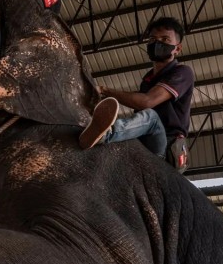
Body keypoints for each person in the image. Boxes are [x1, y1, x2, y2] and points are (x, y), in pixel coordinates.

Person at [79, 17, 194, 172]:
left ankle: (105, 134)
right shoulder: (148, 79)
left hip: (166, 145)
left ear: (177, 49)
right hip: (144, 142)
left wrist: (105, 90)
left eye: (165, 39)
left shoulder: (182, 72)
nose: (157, 43)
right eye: (153, 39)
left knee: (151, 118)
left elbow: (146, 102)